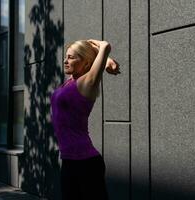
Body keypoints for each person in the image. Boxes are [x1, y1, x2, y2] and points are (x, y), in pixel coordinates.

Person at [50, 39, 120, 200]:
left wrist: (103, 50)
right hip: (68, 160)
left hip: (86, 163)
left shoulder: (87, 83)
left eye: (71, 58)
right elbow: (93, 53)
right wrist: (107, 61)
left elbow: (106, 46)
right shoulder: (71, 81)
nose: (65, 61)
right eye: (66, 57)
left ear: (86, 63)